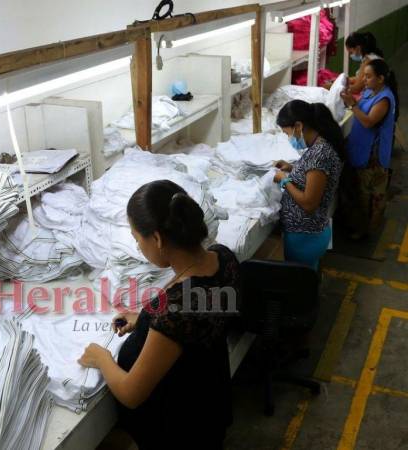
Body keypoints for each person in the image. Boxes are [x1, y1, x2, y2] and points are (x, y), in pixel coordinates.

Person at [78, 180, 239, 450]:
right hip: (210, 400)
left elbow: (131, 393)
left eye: (136, 238)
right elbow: (195, 308)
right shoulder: (223, 258)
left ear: (157, 238)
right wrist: (144, 316)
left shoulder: (175, 311)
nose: (138, 246)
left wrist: (102, 358)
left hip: (179, 430)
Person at [273, 100, 344, 270]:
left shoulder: (319, 154)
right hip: (312, 232)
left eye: (287, 133)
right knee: (308, 279)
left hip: (305, 235)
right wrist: (292, 168)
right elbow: (314, 175)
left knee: (299, 284)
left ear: (298, 126)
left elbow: (309, 203)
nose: (289, 138)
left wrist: (284, 180)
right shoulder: (320, 146)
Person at [340, 59, 398, 239]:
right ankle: (360, 225)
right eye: (364, 75)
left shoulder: (385, 99)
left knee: (368, 195)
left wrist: (352, 104)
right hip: (362, 148)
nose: (364, 80)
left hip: (373, 154)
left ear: (380, 78)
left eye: (368, 76)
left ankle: (365, 231)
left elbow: (369, 121)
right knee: (360, 190)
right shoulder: (370, 91)